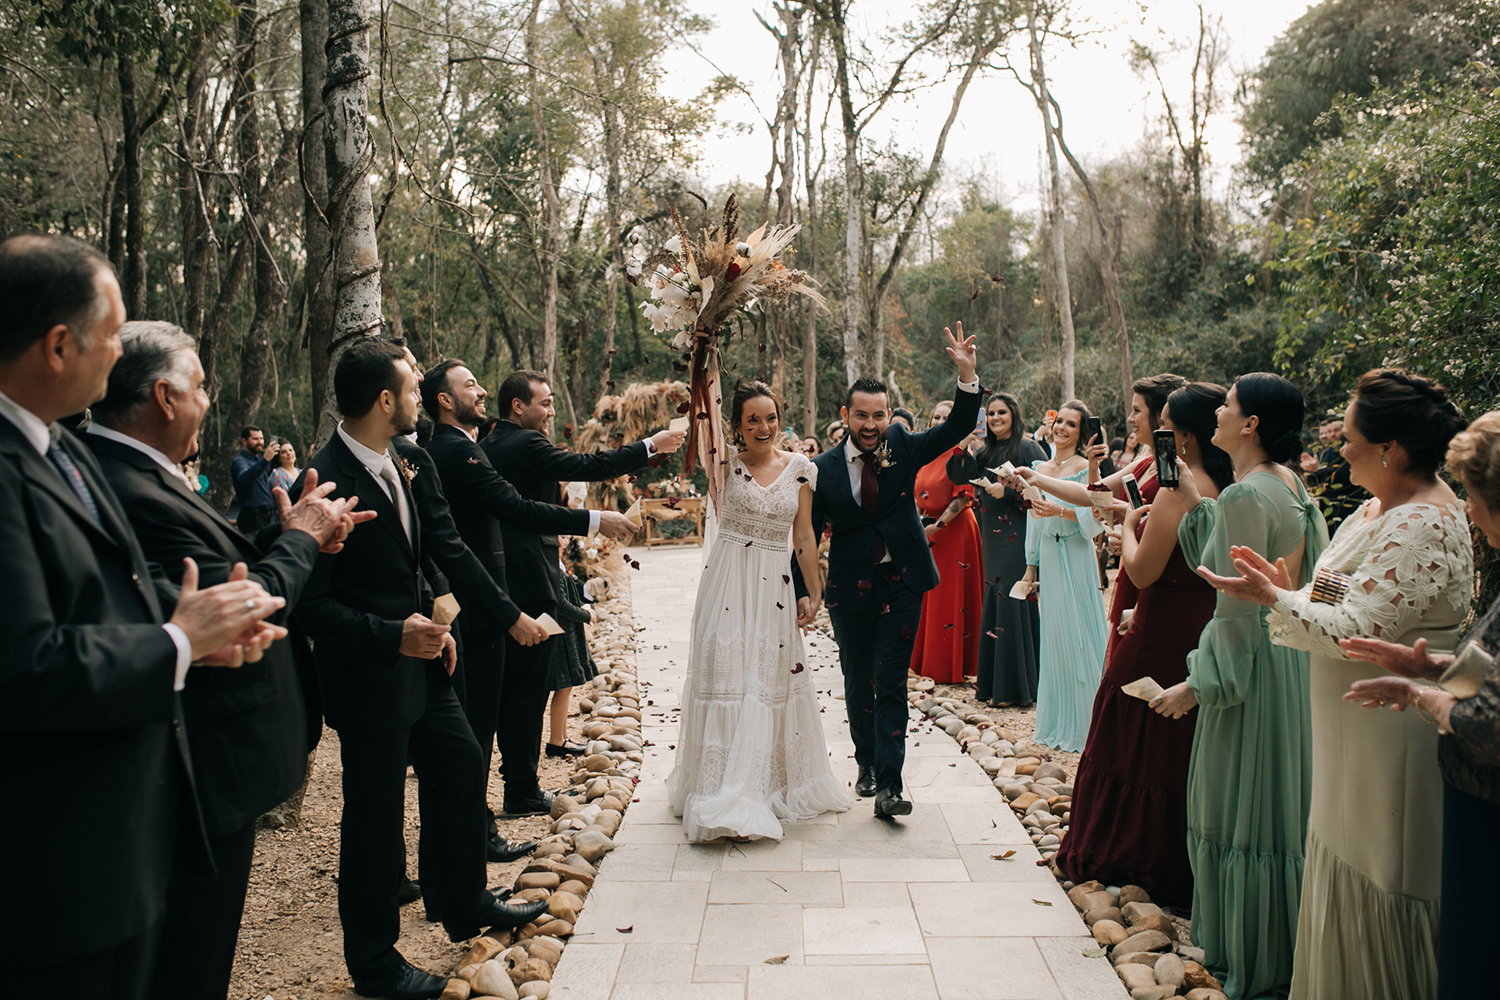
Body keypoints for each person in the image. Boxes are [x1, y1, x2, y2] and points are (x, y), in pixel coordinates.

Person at [0, 234, 286, 999]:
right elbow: (25, 667)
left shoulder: (59, 447)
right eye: (108, 336)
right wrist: (175, 641)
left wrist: (203, 627)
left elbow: (103, 587)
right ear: (59, 346)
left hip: (121, 844)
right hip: (55, 864)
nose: (116, 354)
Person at [85, 321, 369, 1000]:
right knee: (191, 958)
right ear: (165, 396)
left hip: (209, 762)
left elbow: (219, 564)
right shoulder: (126, 485)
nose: (211, 401)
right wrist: (299, 540)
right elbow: (237, 601)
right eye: (202, 385)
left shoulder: (144, 471)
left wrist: (283, 532)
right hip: (201, 766)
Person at [1199, 370, 1471, 1000]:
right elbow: (1339, 594)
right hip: (1347, 729)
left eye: (1347, 437)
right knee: (1343, 856)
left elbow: (1360, 628)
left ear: (1390, 449)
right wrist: (1287, 591)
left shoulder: (1424, 522)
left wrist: (1272, 597)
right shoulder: (1377, 509)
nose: (1335, 446)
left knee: (1388, 869)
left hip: (1391, 734)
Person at [297, 339, 548, 999]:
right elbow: (310, 606)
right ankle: (375, 963)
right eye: (411, 388)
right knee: (375, 818)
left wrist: (456, 617)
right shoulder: (323, 483)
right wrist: (391, 634)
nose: (419, 399)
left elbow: (443, 549)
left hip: (426, 661)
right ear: (386, 400)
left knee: (463, 763)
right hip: (368, 675)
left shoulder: (408, 458)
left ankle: (462, 902)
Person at [1149, 372, 1328, 1000]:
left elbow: (1234, 610)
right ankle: (1286, 943)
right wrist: (1197, 500)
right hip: (1286, 663)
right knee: (1280, 807)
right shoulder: (1290, 485)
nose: (1217, 412)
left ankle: (1251, 959)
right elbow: (1295, 579)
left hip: (1248, 673)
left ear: (1249, 423)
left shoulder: (1248, 496)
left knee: (1237, 806)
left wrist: (1196, 685)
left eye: (1226, 404)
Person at [420, 361, 634, 855]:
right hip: (475, 607)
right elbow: (503, 517)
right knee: (476, 724)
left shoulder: (471, 445)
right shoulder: (453, 450)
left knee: (485, 716)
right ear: (444, 400)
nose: (481, 390)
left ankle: (477, 828)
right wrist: (596, 519)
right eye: (470, 384)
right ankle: (473, 834)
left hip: (485, 600)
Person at [1055, 382, 1232, 908]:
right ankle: (1177, 858)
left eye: (1166, 429)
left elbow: (1142, 567)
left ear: (1185, 436)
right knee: (1176, 746)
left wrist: (1131, 526)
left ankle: (1125, 855)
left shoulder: (1179, 489)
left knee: (1130, 729)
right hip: (1200, 621)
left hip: (1160, 626)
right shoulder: (1229, 484)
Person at [1342, 409, 1500, 1000]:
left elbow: (1488, 725)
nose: (1467, 509)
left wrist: (1419, 696)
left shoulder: (1424, 522)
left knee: (1477, 955)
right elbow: (1492, 669)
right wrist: (1435, 665)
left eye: (1474, 495)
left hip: (1489, 807)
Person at [793, 324, 981, 817]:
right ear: (846, 416)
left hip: (903, 581)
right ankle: (867, 763)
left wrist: (966, 375)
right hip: (847, 589)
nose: (872, 423)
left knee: (892, 680)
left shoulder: (902, 444)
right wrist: (803, 592)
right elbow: (807, 535)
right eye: (862, 415)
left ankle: (892, 787)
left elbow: (955, 428)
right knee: (858, 679)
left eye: (879, 414)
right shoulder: (823, 469)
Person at [482, 369, 684, 816]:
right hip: (530, 577)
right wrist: (651, 446)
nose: (552, 411)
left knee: (510, 687)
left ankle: (516, 782)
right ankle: (521, 789)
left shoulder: (490, 442)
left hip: (501, 574)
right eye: (546, 402)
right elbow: (588, 467)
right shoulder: (524, 443)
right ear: (519, 406)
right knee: (529, 689)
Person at [668, 380, 849, 839]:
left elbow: (804, 536)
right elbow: (699, 423)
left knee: (765, 679)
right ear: (737, 427)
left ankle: (764, 786)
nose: (763, 427)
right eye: (752, 420)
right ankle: (720, 786)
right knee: (730, 675)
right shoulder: (724, 465)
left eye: (770, 417)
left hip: (775, 584)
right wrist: (701, 359)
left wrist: (814, 590)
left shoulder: (802, 468)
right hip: (728, 582)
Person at [1021, 374, 1187, 671]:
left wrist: (1132, 526)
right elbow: (1094, 496)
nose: (1130, 418)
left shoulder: (1170, 460)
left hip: (1157, 571)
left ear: (1163, 414)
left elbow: (1175, 514)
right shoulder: (1146, 462)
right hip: (1136, 564)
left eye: (1137, 411)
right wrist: (1037, 477)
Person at [1019, 400, 1108, 752]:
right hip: (1051, 559)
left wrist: (1060, 510)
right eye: (1060, 421)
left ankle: (1088, 722)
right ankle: (1056, 720)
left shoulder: (1086, 467)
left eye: (1072, 424)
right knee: (1054, 636)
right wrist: (1031, 565)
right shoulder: (1038, 465)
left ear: (1081, 432)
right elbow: (1032, 517)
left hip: (1075, 553)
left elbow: (1093, 522)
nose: (1062, 428)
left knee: (1081, 634)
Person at [957, 392, 1048, 705]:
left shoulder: (1027, 447)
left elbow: (1044, 492)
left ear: (1014, 415)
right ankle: (996, 685)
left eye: (1001, 413)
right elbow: (957, 475)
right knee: (995, 597)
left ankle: (1017, 688)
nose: (995, 419)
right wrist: (962, 443)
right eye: (991, 414)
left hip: (1018, 534)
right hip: (991, 536)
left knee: (1011, 596)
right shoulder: (984, 451)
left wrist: (1008, 493)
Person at [909, 400, 982, 686]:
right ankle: (925, 661)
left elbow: (963, 496)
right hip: (927, 529)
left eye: (945, 417)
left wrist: (935, 528)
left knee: (948, 595)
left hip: (955, 530)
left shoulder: (960, 453)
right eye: (935, 417)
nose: (939, 422)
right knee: (928, 594)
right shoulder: (923, 455)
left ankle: (948, 666)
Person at [548, 546, 597, 757]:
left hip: (566, 630)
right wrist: (585, 614)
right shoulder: (552, 567)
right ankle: (556, 740)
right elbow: (561, 604)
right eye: (560, 537)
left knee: (566, 688)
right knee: (563, 686)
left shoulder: (557, 565)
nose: (564, 541)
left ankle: (563, 735)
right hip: (561, 633)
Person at [231, 423, 280, 531]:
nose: (260, 442)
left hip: (265, 517)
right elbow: (244, 478)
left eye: (261, 439)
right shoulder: (240, 461)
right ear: (244, 441)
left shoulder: (258, 460)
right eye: (255, 439)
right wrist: (265, 459)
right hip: (252, 517)